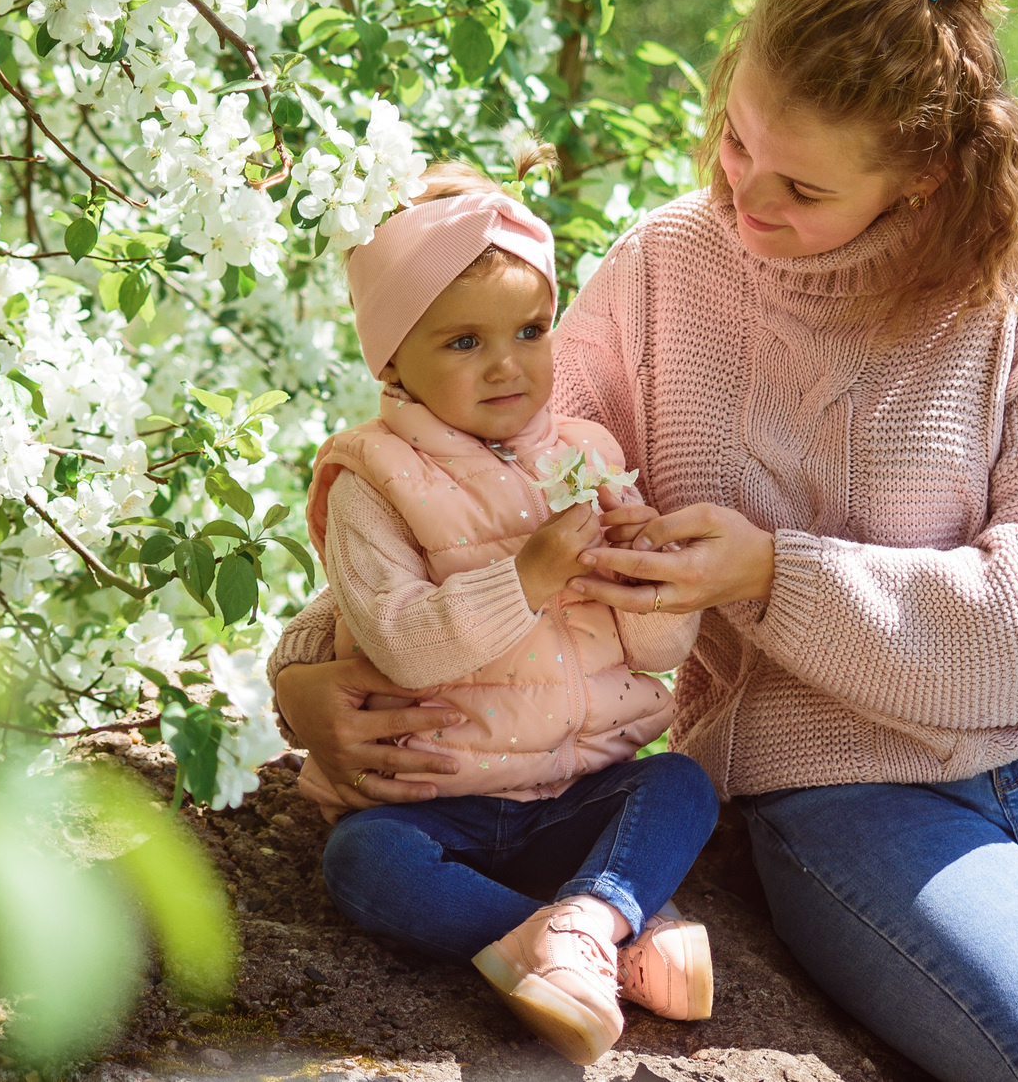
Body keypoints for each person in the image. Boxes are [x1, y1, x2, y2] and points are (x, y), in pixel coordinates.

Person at [268, 0, 1018, 1082]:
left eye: (800, 186)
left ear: (924, 173)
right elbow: (482, 485)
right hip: (852, 784)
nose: (742, 194)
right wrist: (306, 665)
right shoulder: (663, 272)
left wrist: (771, 573)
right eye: (737, 140)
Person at [300, 162, 719, 1065]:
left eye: (531, 330)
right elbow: (403, 641)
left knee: (680, 786)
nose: (506, 363)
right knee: (363, 862)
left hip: (574, 786)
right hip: (436, 799)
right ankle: (596, 937)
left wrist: (647, 581)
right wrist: (524, 578)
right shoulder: (370, 482)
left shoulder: (588, 454)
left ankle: (584, 918)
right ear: (392, 359)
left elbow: (654, 653)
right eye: (461, 342)